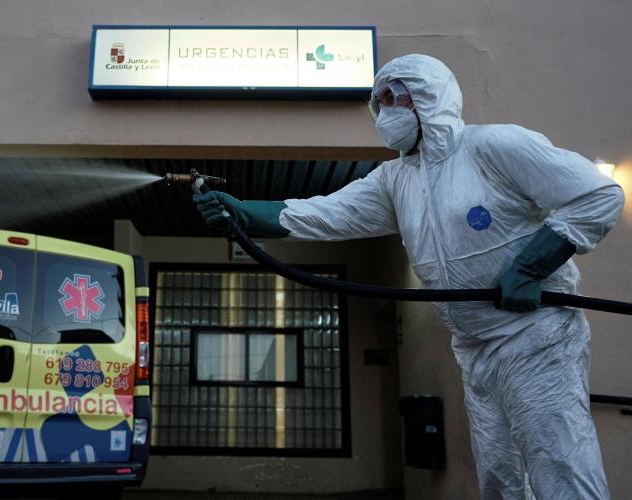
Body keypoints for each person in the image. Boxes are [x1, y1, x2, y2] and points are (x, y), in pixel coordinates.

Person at [193, 54, 624, 499]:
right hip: (473, 348)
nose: (385, 110)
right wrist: (242, 212)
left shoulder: (493, 147)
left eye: (394, 97)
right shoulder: (396, 180)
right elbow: (327, 213)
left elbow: (597, 195)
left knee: (559, 464)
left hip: (535, 335)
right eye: (378, 101)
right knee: (500, 475)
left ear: (430, 97)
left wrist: (531, 268)